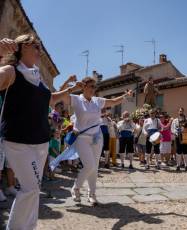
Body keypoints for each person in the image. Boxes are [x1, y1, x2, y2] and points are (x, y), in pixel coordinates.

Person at [0, 35, 82, 229]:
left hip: (40, 141)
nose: (39, 50)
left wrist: (71, 89)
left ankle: (28, 226)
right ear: (19, 48)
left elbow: (50, 99)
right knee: (29, 188)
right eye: (34, 46)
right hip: (18, 140)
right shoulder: (11, 71)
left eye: (39, 46)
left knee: (34, 189)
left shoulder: (37, 76)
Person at [59, 77, 132, 206]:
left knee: (95, 167)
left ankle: (92, 194)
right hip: (82, 138)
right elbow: (60, 94)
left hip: (97, 138)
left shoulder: (97, 101)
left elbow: (114, 101)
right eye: (91, 86)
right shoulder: (76, 99)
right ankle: (76, 188)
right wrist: (69, 83)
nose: (94, 89)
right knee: (89, 166)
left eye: (95, 87)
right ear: (84, 86)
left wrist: (125, 96)